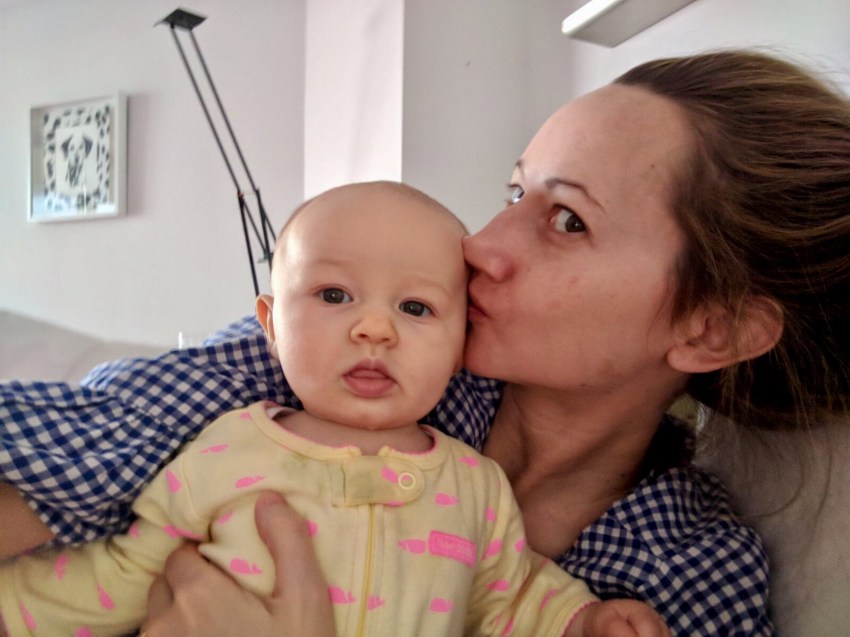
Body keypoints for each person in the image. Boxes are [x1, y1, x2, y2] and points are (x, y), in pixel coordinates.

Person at [2, 48, 848, 635]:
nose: (479, 243)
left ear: (715, 328)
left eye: (565, 218)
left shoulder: (691, 576)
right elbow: (84, 442)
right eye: (512, 190)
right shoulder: (317, 373)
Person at [0, 182, 669, 637]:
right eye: (332, 295)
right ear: (269, 323)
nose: (374, 329)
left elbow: (511, 597)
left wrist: (581, 620)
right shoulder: (228, 445)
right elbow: (128, 569)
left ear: (463, 337)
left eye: (415, 308)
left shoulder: (474, 484)